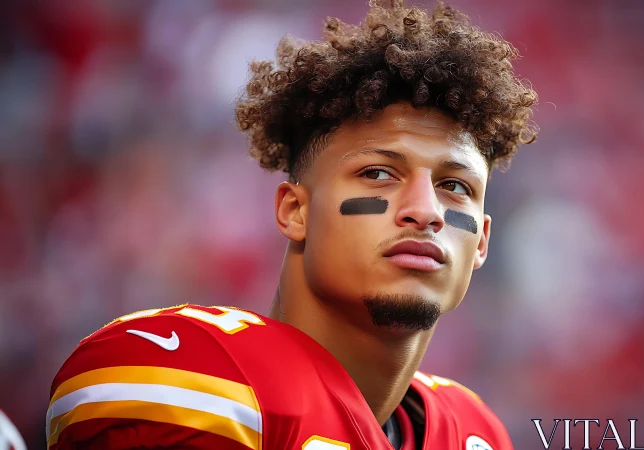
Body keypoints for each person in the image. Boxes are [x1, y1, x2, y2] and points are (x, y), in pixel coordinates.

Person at [46, 0, 537, 448]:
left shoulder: (478, 433)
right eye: (378, 173)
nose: (425, 210)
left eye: (455, 186)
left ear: (482, 242)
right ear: (294, 211)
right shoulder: (194, 377)